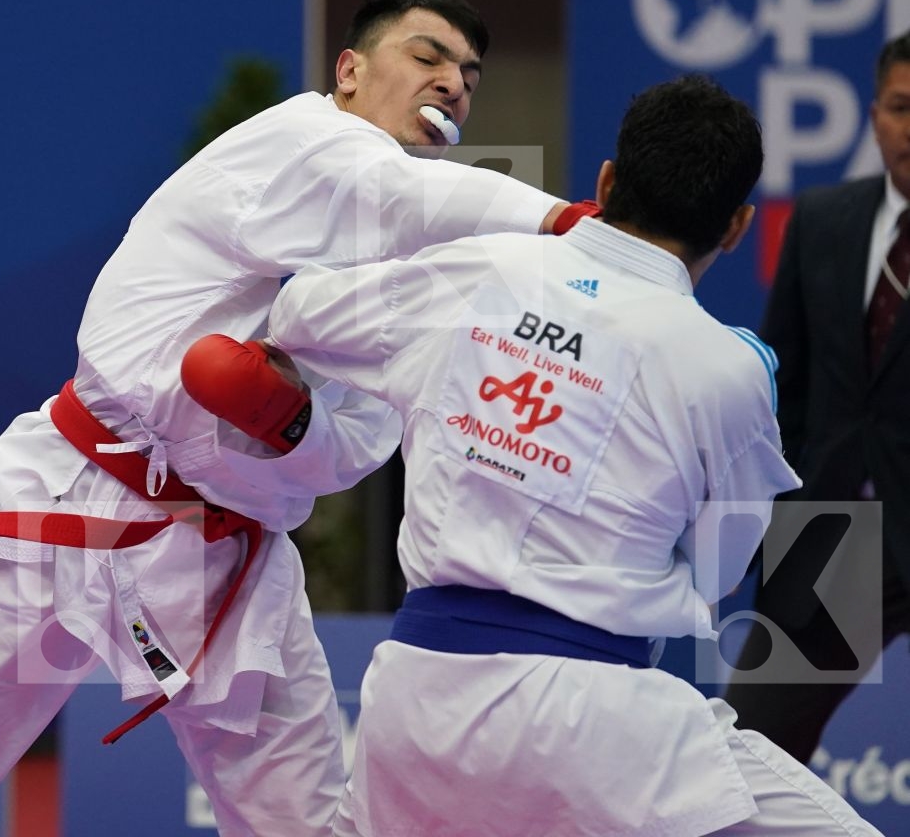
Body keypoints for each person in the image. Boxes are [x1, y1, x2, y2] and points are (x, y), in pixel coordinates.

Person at [0, 0, 580, 837]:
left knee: (303, 823)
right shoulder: (302, 142)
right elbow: (397, 192)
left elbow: (359, 444)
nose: (452, 85)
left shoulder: (420, 266)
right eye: (428, 57)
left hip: (225, 560)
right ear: (351, 71)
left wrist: (290, 422)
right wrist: (558, 219)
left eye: (469, 77)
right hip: (81, 500)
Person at [213, 75, 879, 835]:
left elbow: (296, 311)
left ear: (605, 181)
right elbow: (719, 573)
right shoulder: (728, 370)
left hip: (418, 702)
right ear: (735, 226)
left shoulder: (478, 269)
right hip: (602, 725)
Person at [723, 32, 910, 761]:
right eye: (902, 106)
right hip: (834, 539)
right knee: (749, 755)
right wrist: (770, 521)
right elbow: (780, 392)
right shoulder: (823, 219)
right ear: (875, 117)